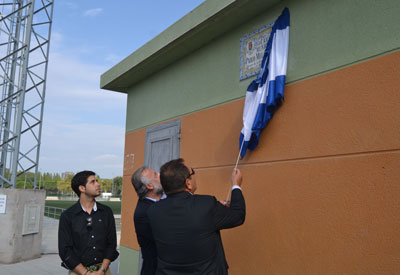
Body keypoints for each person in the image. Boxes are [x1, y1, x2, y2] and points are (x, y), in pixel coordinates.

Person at [147, 158, 246, 275]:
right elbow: (238, 215)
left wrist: (215, 208)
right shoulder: (207, 205)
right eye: (192, 172)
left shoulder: (153, 211)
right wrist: (236, 185)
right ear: (188, 183)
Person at [58, 171, 119, 275]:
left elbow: (111, 244)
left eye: (97, 181)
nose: (98, 184)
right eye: (93, 182)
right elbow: (65, 250)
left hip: (104, 271)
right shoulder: (67, 216)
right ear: (82, 188)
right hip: (78, 272)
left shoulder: (106, 212)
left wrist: (102, 270)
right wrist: (86, 273)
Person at [131, 166, 164, 275]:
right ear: (149, 186)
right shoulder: (143, 213)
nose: (160, 174)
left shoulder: (165, 200)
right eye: (155, 175)